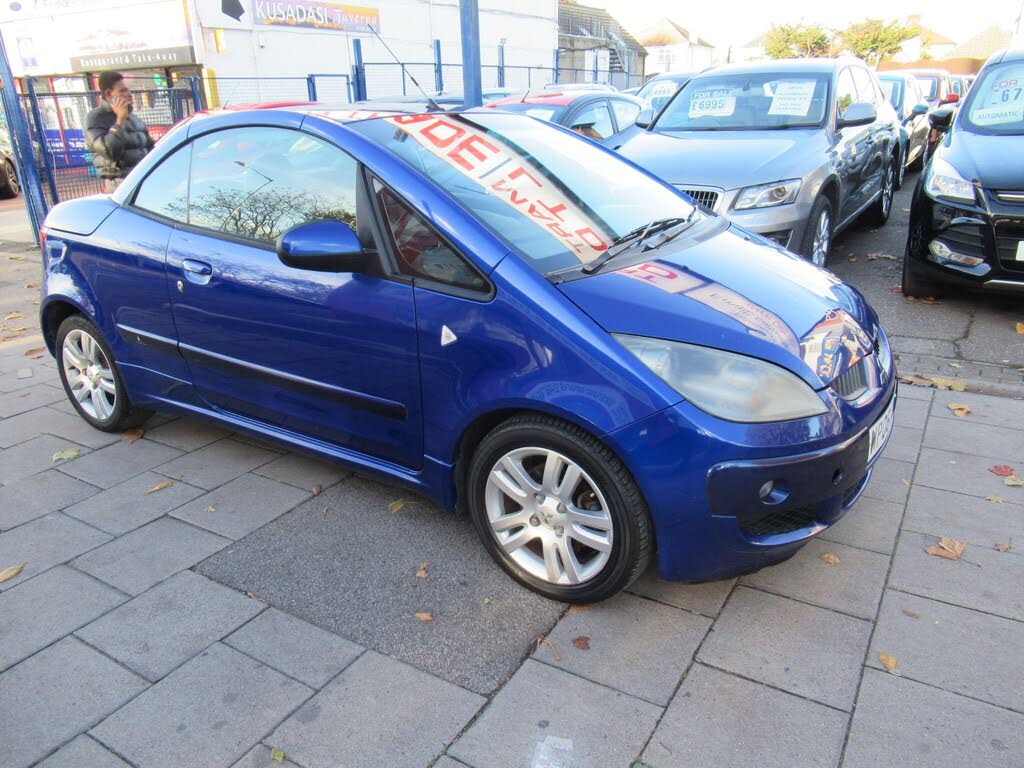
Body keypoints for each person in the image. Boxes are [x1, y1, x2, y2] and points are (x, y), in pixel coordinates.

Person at [85, 71, 153, 193]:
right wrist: (120, 120)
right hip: (120, 183)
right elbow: (109, 151)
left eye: (128, 90)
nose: (129, 94)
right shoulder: (96, 118)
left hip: (143, 178)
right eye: (123, 91)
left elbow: (150, 148)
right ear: (108, 94)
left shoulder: (134, 118)